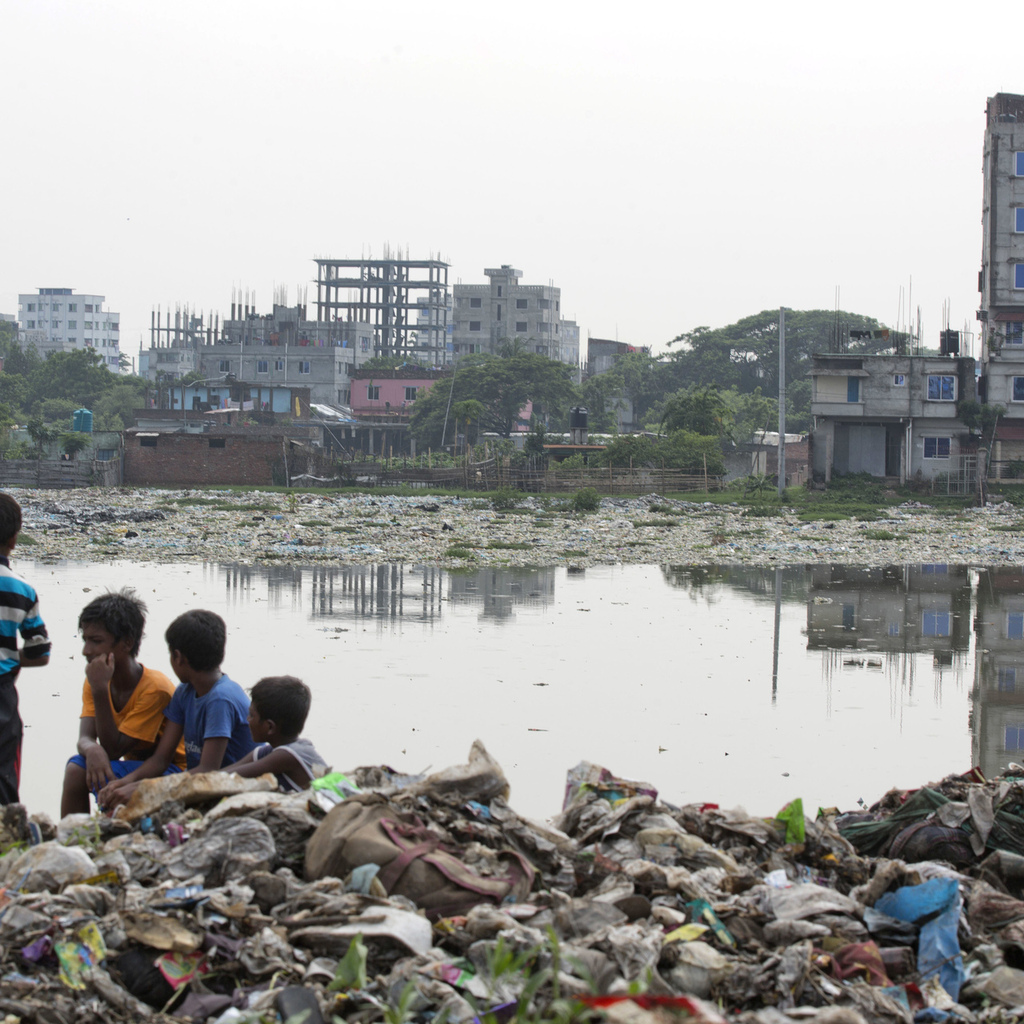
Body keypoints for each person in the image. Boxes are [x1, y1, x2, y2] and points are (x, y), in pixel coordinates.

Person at [98, 609, 255, 812]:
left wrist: (142, 788)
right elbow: (161, 759)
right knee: (120, 793)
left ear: (178, 657)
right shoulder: (185, 691)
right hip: (199, 783)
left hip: (228, 789)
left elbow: (208, 770)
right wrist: (127, 782)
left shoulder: (220, 699)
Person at [60, 589, 186, 817]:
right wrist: (91, 749)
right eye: (85, 640)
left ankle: (75, 839)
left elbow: (113, 748)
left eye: (96, 641)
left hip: (170, 772)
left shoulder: (154, 688)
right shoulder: (97, 680)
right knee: (78, 766)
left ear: (127, 643)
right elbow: (86, 737)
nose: (86, 651)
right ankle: (74, 838)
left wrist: (100, 691)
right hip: (132, 769)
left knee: (76, 771)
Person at [0, 493, 50, 805]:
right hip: (1, 699)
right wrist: (9, 657)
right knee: (4, 776)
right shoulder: (21, 591)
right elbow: (39, 653)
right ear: (15, 539)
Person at [220, 676, 329, 792]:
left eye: (251, 715)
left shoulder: (289, 755)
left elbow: (228, 778)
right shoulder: (269, 752)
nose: (248, 720)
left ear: (270, 727)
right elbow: (220, 775)